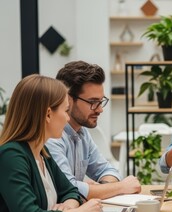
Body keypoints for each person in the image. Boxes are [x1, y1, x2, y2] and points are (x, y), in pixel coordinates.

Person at [0, 75, 102, 212]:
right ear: (48, 114)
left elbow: (71, 191)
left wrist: (67, 207)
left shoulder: (41, 152)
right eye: (66, 111)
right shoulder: (11, 156)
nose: (68, 118)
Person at [46, 61, 141, 200]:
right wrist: (120, 187)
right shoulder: (52, 137)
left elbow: (109, 171)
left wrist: (98, 189)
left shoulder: (82, 133)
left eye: (101, 101)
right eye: (92, 102)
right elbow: (68, 187)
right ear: (68, 100)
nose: (100, 109)